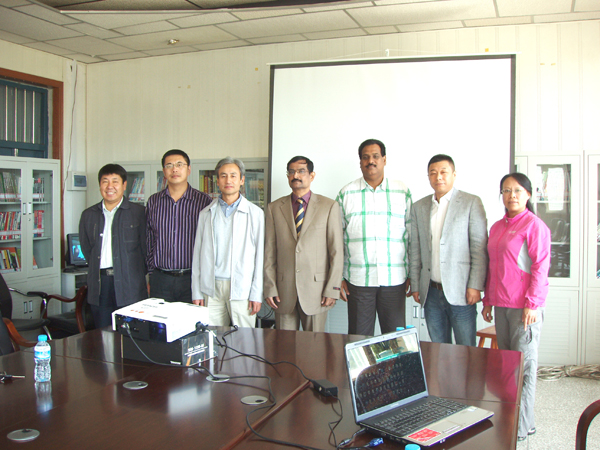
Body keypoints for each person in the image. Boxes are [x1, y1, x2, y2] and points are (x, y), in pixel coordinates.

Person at [482, 172, 551, 442]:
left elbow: (541, 268)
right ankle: (515, 420)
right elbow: (493, 267)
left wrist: (533, 304)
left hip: (525, 309)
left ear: (528, 194)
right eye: (506, 191)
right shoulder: (497, 227)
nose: (512, 196)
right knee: (509, 368)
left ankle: (521, 428)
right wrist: (488, 300)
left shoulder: (534, 226)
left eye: (518, 190)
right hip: (501, 306)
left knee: (525, 368)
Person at [409, 154, 488, 346]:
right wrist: (416, 285)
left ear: (454, 174)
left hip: (462, 291)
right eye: (433, 173)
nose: (438, 177)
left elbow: (479, 249)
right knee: (438, 348)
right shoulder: (419, 207)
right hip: (431, 292)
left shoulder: (471, 202)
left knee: (466, 349)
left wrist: (475, 286)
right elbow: (415, 250)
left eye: (443, 172)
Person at [336, 139, 412, 336]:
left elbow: (412, 235)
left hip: (394, 278)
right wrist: (339, 276)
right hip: (358, 280)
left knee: (396, 340)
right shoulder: (346, 194)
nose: (371, 161)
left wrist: (412, 273)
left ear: (384, 159)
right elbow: (336, 239)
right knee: (358, 339)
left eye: (375, 156)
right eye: (365, 157)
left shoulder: (401, 191)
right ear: (360, 162)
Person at [264, 156, 343, 332]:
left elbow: (336, 252)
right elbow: (269, 253)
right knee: (284, 345)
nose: (296, 176)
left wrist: (332, 289)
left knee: (314, 345)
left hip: (317, 292)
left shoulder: (329, 206)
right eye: (291, 172)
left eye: (301, 171)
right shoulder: (274, 208)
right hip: (283, 292)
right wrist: (270, 288)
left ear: (312, 175)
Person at [191, 157, 264, 327]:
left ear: (242, 180)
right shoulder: (206, 213)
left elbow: (260, 256)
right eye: (223, 176)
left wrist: (256, 293)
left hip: (242, 287)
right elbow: (197, 255)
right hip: (211, 287)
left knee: (244, 338)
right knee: (213, 336)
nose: (228, 180)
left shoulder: (255, 213)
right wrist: (197, 291)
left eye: (233, 175)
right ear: (217, 181)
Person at [79, 164, 147, 328]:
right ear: (100, 185)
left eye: (115, 181)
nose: (110, 186)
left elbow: (146, 249)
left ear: (124, 185)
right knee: (103, 334)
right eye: (105, 181)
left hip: (130, 284)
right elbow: (87, 249)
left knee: (132, 333)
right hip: (100, 284)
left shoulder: (139, 213)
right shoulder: (88, 215)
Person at [146, 149, 211, 303]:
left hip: (192, 279)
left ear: (188, 169)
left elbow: (209, 242)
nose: (174, 169)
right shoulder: (154, 201)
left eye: (179, 164)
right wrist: (151, 273)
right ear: (164, 171)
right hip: (160, 279)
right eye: (169, 165)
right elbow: (149, 238)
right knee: (160, 318)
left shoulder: (203, 201)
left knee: (191, 318)